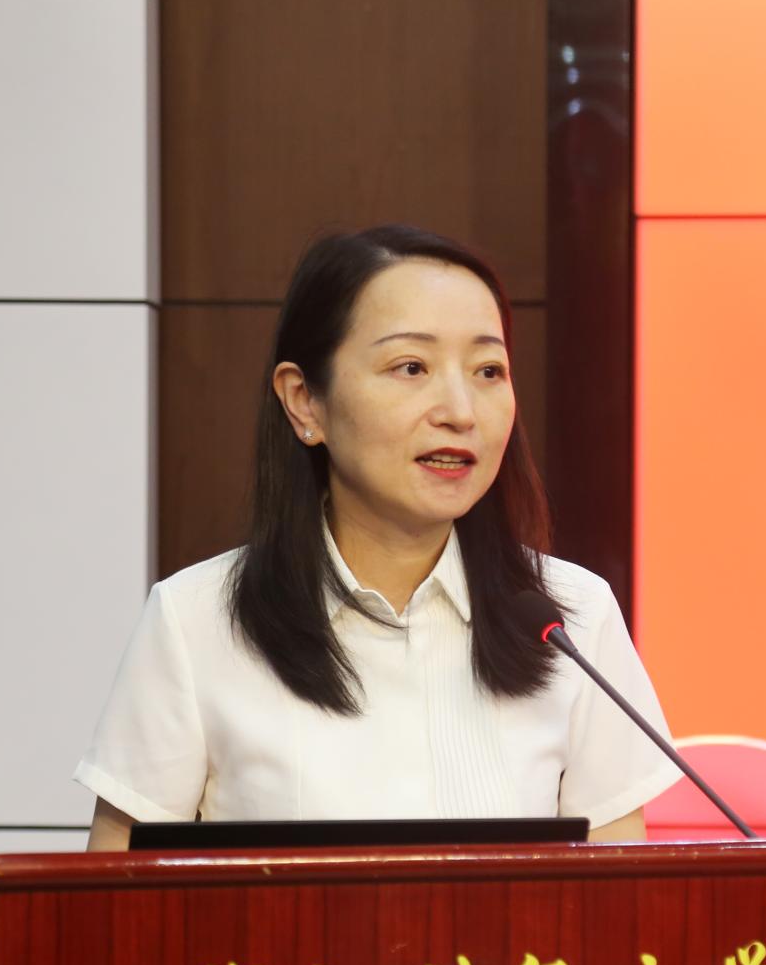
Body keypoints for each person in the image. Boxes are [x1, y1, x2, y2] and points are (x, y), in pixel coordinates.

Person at [75, 224, 680, 850]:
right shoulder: (194, 621)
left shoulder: (572, 618)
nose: (460, 411)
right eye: (411, 367)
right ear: (305, 401)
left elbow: (619, 898)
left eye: (488, 370)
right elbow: (118, 900)